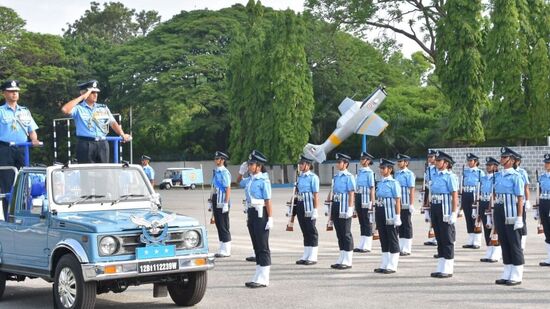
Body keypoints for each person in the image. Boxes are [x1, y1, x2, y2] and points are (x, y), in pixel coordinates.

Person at [61, 80, 131, 163]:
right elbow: (65, 110)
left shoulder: (103, 107)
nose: (95, 95)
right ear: (84, 93)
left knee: (103, 172)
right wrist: (82, 98)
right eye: (92, 92)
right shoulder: (78, 108)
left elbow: (112, 122)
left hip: (102, 143)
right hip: (86, 144)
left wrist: (122, 134)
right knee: (87, 173)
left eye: (96, 92)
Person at [0, 80, 41, 198]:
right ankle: (9, 214)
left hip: (23, 149)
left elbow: (31, 130)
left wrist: (34, 140)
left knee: (24, 181)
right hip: (5, 149)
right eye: (11, 91)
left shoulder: (24, 111)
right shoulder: (1, 111)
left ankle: (22, 211)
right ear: (4, 93)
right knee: (7, 183)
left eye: (16, 91)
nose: (14, 94)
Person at [239, 150, 272, 288]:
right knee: (256, 245)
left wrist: (270, 218)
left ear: (258, 166)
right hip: (251, 213)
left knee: (263, 246)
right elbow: (237, 183)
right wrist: (241, 173)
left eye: (251, 164)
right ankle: (258, 274)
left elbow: (268, 200)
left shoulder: (264, 181)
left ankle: (264, 278)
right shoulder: (250, 179)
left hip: (261, 214)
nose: (249, 166)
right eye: (248, 164)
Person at [494, 147, 525, 285]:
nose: (501, 159)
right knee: (504, 241)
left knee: (514, 242)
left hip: (511, 211)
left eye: (504, 157)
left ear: (511, 160)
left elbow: (520, 198)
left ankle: (517, 274)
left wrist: (519, 217)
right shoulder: (499, 175)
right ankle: (507, 271)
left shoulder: (516, 176)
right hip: (500, 210)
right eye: (501, 157)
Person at [429, 150, 458, 278]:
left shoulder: (450, 176)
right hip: (435, 207)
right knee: (439, 238)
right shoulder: (435, 175)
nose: (436, 162)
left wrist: (454, 212)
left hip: (445, 209)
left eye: (439, 161)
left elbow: (454, 195)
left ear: (446, 163)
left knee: (447, 238)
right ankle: (441, 266)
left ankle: (448, 268)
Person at [373, 158, 402, 274]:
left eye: (383, 168)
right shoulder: (380, 183)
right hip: (380, 211)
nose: (381, 170)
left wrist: (398, 216)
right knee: (383, 238)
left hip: (390, 213)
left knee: (392, 238)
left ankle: (392, 265)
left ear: (389, 169)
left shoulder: (394, 183)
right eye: (380, 168)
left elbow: (398, 201)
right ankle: (384, 263)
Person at [330, 153, 356, 270]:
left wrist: (351, 208)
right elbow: (333, 192)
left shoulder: (349, 177)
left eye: (340, 162)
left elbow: (351, 193)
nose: (338, 164)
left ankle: (348, 259)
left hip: (345, 206)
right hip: (336, 204)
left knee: (346, 233)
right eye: (337, 162)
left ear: (345, 164)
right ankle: (342, 257)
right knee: (339, 233)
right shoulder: (336, 177)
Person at [295, 155, 320, 265]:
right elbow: (297, 192)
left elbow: (315, 195)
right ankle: (306, 254)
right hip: (301, 204)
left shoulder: (313, 177)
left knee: (311, 230)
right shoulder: (299, 177)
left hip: (309, 205)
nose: (300, 165)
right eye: (300, 163)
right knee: (304, 229)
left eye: (302, 163)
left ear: (308, 165)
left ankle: (313, 255)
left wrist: (315, 209)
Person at [479, 157, 502, 263]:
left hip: (493, 203)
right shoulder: (483, 178)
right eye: (487, 165)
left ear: (496, 167)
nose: (488, 167)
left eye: (490, 165)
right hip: (483, 202)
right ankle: (489, 250)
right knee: (486, 227)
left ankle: (496, 252)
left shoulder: (498, 177)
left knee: (495, 228)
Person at [461, 153, 485, 249]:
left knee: (476, 217)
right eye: (468, 161)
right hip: (466, 195)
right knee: (468, 217)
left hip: (475, 195)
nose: (469, 162)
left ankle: (477, 241)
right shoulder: (465, 172)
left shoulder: (480, 173)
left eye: (471, 161)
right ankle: (470, 240)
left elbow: (482, 186)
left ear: (476, 162)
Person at [211, 151, 232, 258]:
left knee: (223, 224)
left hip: (222, 199)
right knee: (218, 224)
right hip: (216, 198)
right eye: (215, 158)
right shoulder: (216, 172)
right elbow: (214, 187)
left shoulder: (224, 172)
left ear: (222, 160)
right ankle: (222, 246)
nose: (215, 160)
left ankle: (227, 249)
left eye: (217, 158)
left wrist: (226, 203)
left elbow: (228, 188)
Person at [354, 151, 375, 253]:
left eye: (364, 159)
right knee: (361, 221)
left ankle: (367, 245)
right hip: (358, 196)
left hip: (366, 198)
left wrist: (372, 201)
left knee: (367, 221)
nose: (362, 161)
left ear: (368, 161)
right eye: (361, 159)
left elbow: (372, 188)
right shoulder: (359, 172)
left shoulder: (369, 173)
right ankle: (362, 243)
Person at [395, 153, 415, 256]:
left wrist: (412, 204)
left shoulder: (409, 174)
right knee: (400, 225)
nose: (399, 163)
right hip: (398, 204)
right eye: (398, 161)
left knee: (407, 224)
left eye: (400, 161)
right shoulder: (397, 174)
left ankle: (407, 248)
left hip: (406, 202)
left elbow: (412, 189)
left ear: (406, 163)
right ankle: (401, 246)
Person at [537, 153, 550, 267]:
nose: (546, 165)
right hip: (544, 203)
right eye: (545, 163)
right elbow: (539, 192)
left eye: (548, 163)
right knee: (546, 229)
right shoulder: (542, 177)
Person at [515, 155, 530, 250]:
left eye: (516, 161)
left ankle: (522, 243)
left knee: (522, 222)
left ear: (519, 162)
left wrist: (527, 200)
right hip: (511, 203)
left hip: (521, 202)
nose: (514, 162)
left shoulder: (522, 172)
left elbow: (526, 187)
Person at [424, 149, 438, 246]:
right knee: (432, 216)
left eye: (431, 157)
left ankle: (438, 237)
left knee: (438, 217)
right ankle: (433, 236)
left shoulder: (438, 168)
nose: (429, 158)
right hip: (430, 193)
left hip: (437, 194)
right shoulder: (428, 169)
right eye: (428, 157)